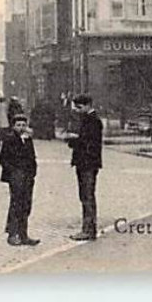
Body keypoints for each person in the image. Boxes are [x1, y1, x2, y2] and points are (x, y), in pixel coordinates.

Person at [65, 94, 103, 240]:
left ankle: (88, 230)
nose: (78, 110)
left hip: (87, 163)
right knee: (86, 196)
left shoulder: (92, 121)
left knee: (87, 196)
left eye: (79, 107)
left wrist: (73, 141)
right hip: (86, 163)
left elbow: (89, 143)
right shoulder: (87, 120)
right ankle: (88, 228)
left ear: (88, 105)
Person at [0, 111, 39, 246]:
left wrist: (32, 172)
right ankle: (12, 234)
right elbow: (2, 159)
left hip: (27, 176)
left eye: (23, 125)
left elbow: (32, 157)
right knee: (16, 204)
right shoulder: (9, 139)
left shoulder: (27, 140)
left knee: (26, 204)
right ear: (13, 126)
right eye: (18, 125)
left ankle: (24, 234)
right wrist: (13, 172)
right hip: (16, 176)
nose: (21, 127)